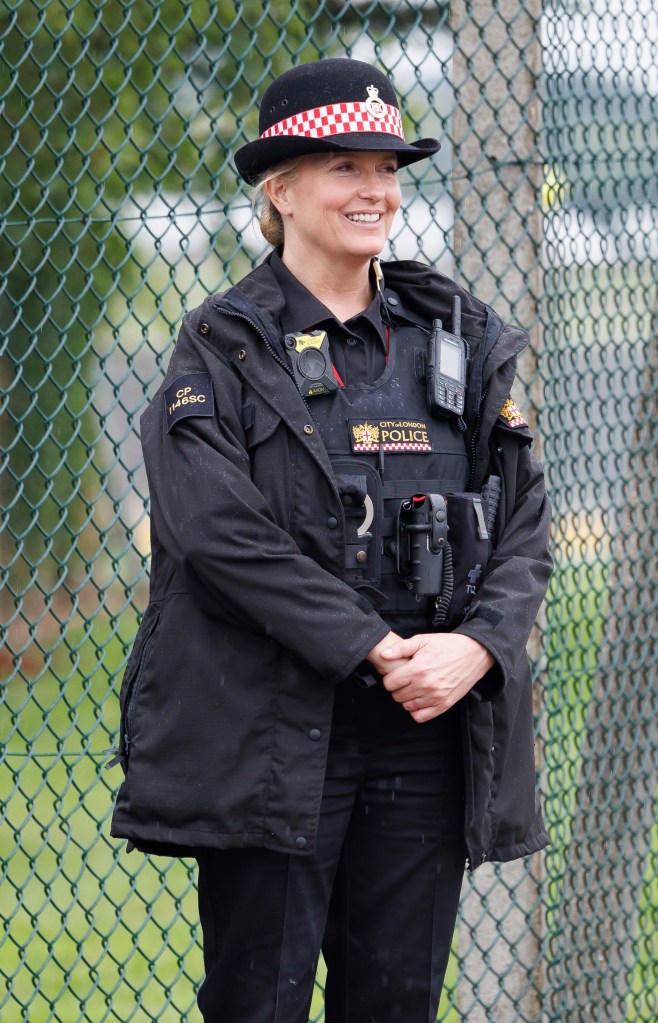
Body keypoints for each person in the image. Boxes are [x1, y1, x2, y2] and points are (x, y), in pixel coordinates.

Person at [110, 57, 552, 1023]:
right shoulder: (221, 346)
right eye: (346, 166)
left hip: (425, 735)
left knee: (396, 1004)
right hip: (278, 739)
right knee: (256, 1002)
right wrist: (372, 645)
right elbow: (214, 533)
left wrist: (475, 647)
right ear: (281, 187)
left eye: (389, 168)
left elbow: (525, 524)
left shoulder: (462, 337)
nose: (376, 190)